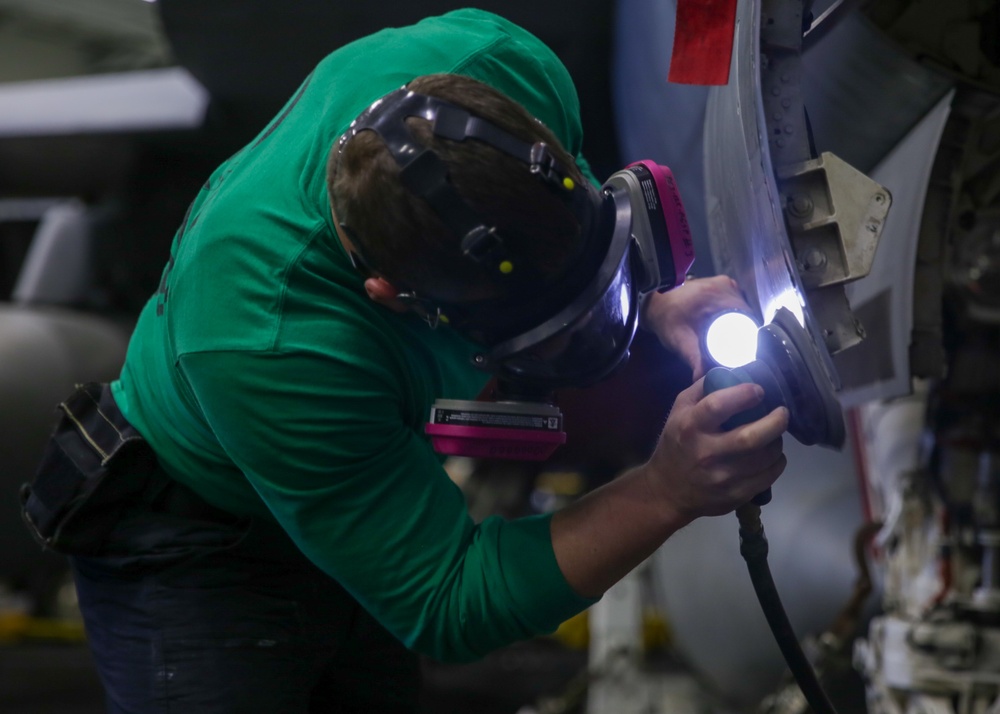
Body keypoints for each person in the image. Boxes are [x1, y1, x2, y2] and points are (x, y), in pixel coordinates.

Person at [21, 8, 787, 713]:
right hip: (204, 549)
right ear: (393, 296)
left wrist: (648, 296)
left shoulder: (501, 62)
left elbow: (547, 230)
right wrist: (665, 490)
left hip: (349, 473)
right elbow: (448, 601)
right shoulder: (268, 336)